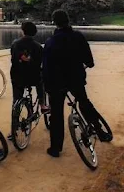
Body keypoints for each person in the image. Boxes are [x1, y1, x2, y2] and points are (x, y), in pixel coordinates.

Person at [43, 9, 112, 158]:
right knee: (85, 103)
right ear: (68, 21)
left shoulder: (50, 42)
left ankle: (55, 148)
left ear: (54, 23)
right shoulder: (78, 37)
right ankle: (101, 132)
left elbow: (46, 68)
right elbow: (90, 62)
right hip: (75, 79)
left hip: (56, 83)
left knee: (56, 114)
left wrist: (47, 86)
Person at [8, 21, 48, 139]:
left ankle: (13, 130)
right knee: (41, 82)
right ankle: (42, 103)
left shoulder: (16, 44)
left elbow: (13, 58)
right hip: (32, 77)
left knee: (16, 102)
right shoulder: (38, 46)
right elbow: (41, 63)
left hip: (17, 77)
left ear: (22, 30)